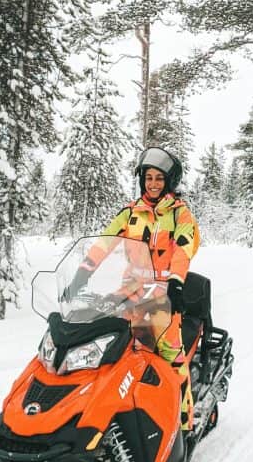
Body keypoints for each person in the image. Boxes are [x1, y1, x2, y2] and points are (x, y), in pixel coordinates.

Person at [78, 147, 200, 435]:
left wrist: (176, 282)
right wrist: (84, 271)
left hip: (163, 296)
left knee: (171, 356)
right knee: (109, 348)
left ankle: (183, 424)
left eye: (159, 178)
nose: (153, 183)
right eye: (148, 178)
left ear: (169, 182)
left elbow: (184, 248)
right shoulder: (131, 213)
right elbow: (105, 242)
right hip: (129, 291)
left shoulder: (180, 215)